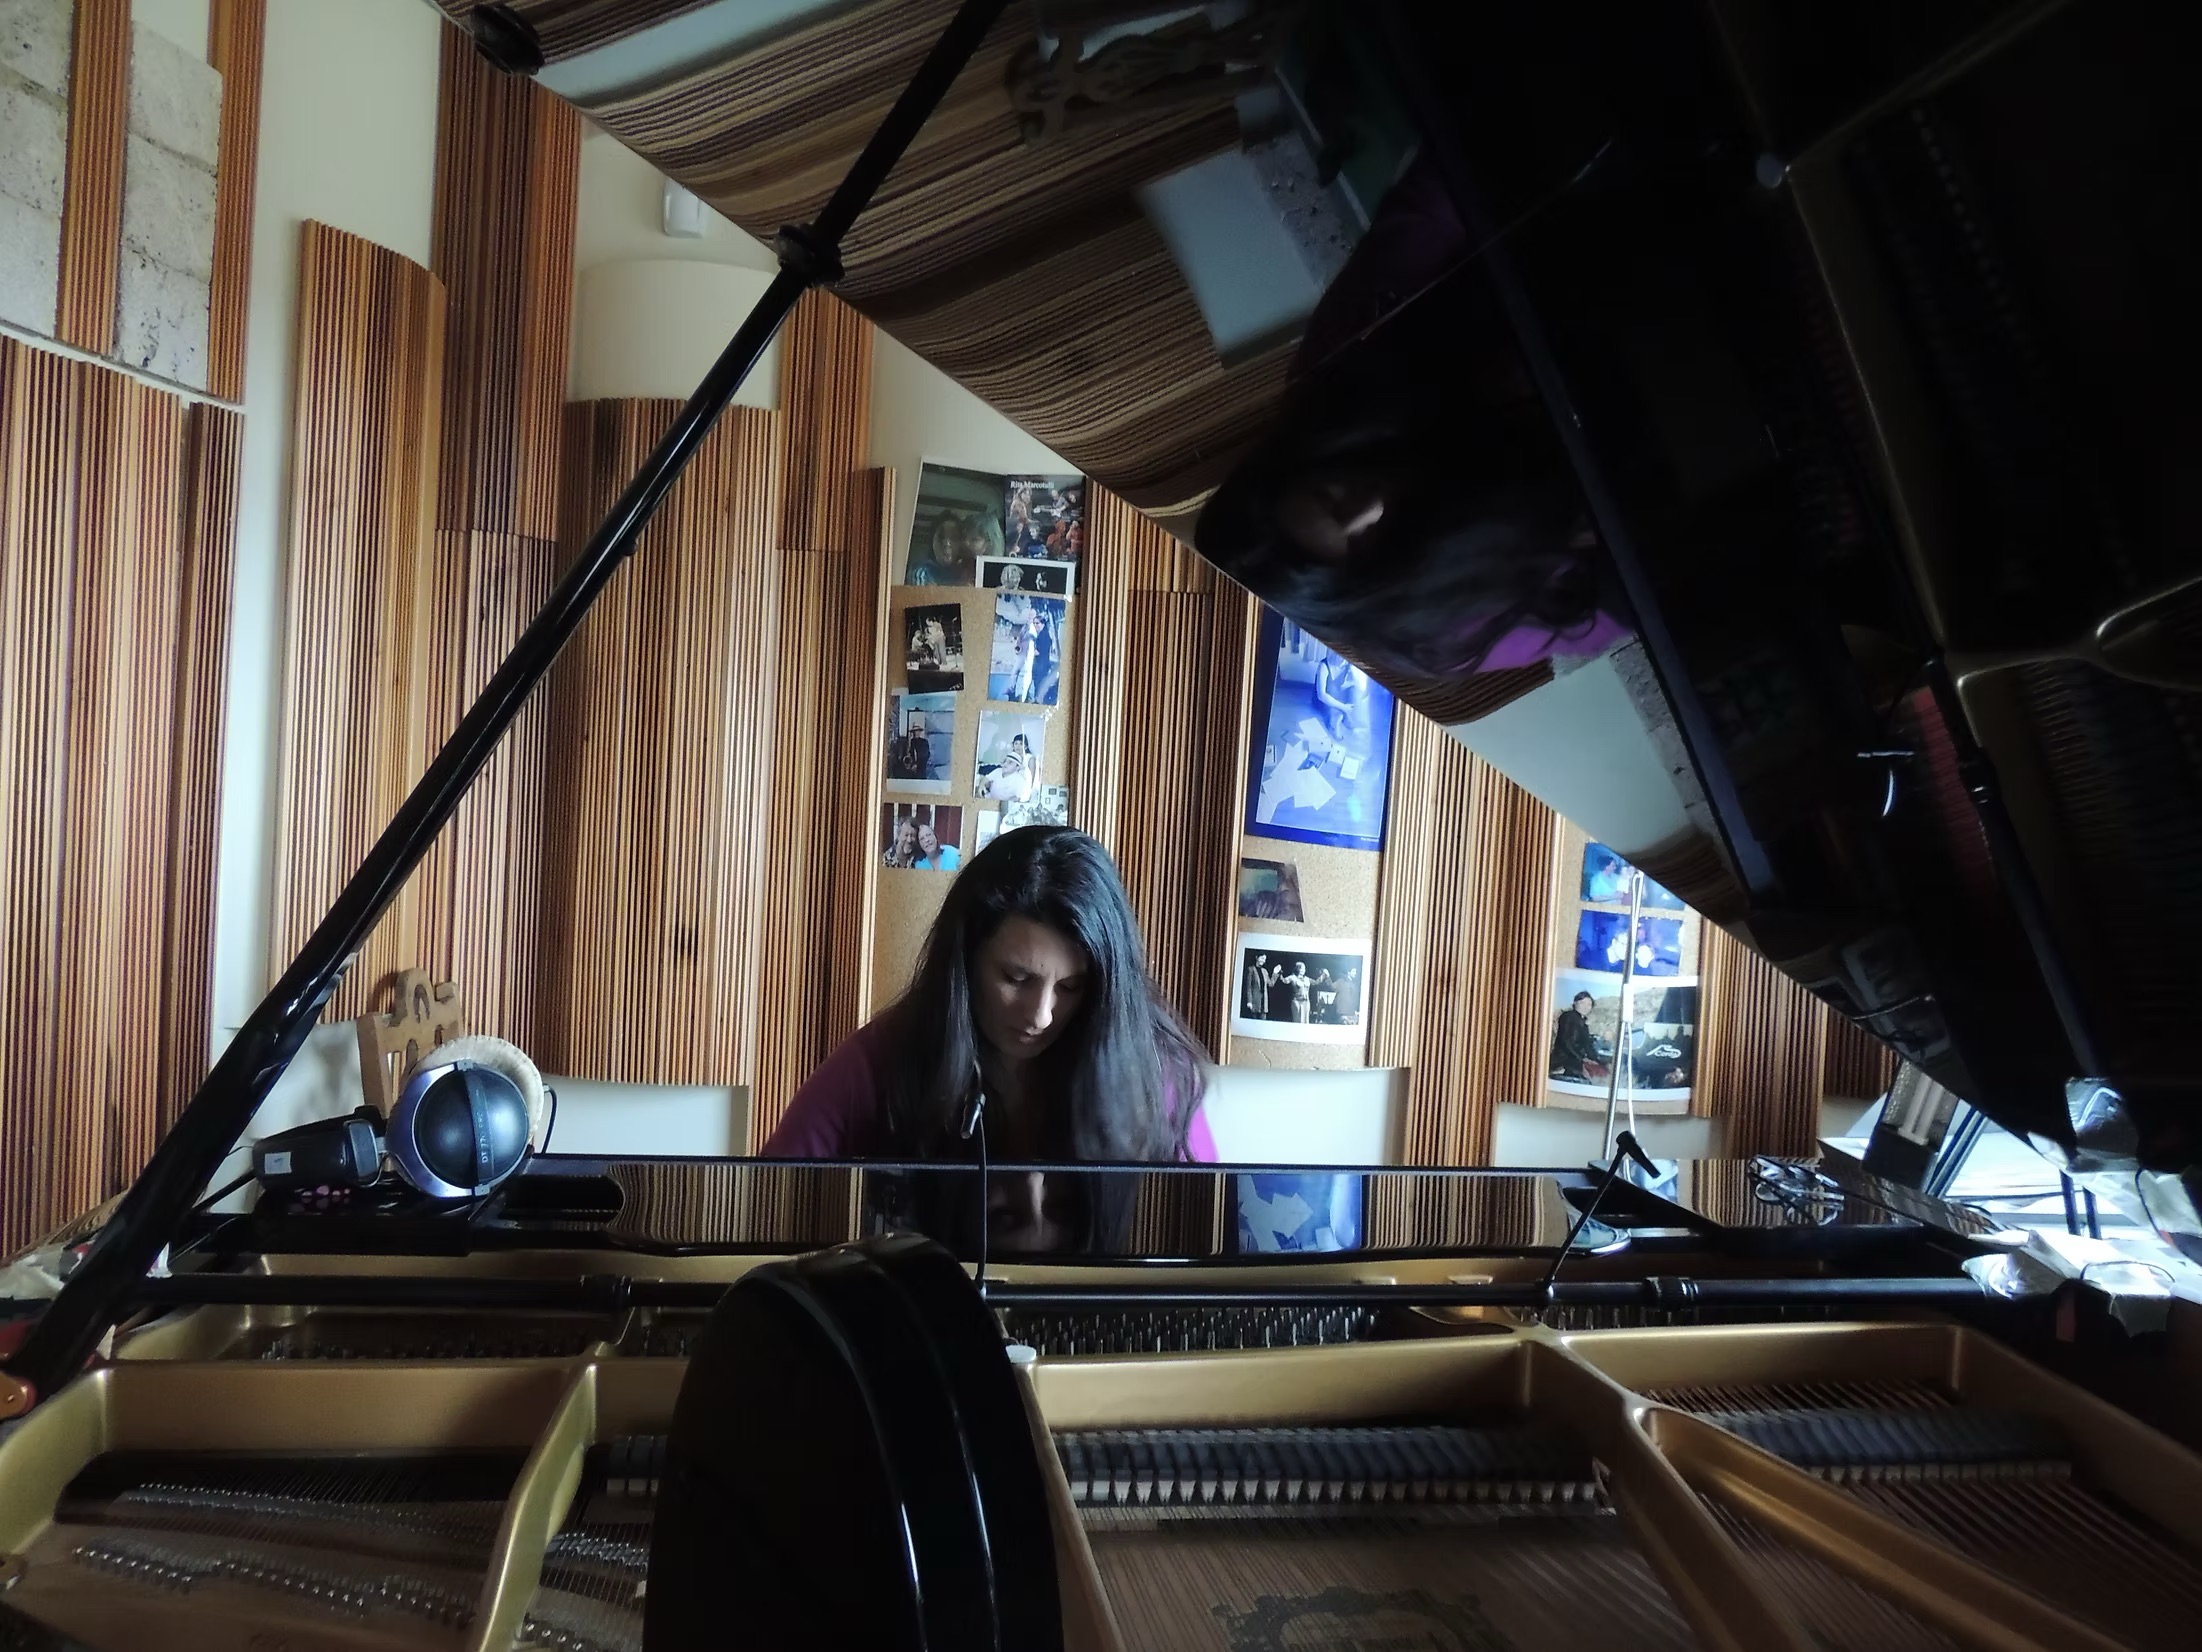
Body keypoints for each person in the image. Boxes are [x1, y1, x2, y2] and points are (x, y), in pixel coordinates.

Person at [765, 827, 1217, 1248]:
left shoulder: (1155, 1077)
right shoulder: (880, 1059)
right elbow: (769, 1208)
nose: (1040, 1015)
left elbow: (1207, 1239)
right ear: (965, 963)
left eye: (1070, 987)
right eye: (1017, 978)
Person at [1314, 652, 1369, 749]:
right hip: (1324, 699)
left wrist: (1354, 683)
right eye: (1340, 657)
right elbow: (1321, 695)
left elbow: (1360, 686)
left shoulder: (1348, 664)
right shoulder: (1323, 665)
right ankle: (1336, 722)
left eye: (1345, 658)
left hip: (1338, 693)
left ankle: (1345, 717)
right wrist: (1343, 707)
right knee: (1335, 710)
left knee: (1354, 690)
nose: (1343, 660)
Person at [1550, 991, 1608, 1081]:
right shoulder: (1568, 1017)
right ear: (1575, 1003)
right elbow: (1566, 1042)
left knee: (1603, 1071)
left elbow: (1587, 1045)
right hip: (1565, 1058)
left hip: (1577, 1058)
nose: (1586, 1006)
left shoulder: (1583, 1023)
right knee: (1593, 1075)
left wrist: (1596, 1059)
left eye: (1589, 1004)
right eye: (1582, 1003)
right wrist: (1582, 1059)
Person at [982, 731, 1035, 803]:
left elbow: (1031, 779)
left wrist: (1027, 792)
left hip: (1021, 785)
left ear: (1025, 746)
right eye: (1016, 743)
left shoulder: (1030, 758)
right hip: (1010, 780)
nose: (1018, 746)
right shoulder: (1013, 755)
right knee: (993, 769)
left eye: (1021, 744)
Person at [888, 710, 931, 783]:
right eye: (914, 731)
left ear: (920, 732)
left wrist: (917, 764)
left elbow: (925, 755)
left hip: (921, 768)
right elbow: (909, 753)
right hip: (912, 769)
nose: (915, 733)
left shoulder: (924, 742)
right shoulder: (912, 741)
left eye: (917, 731)